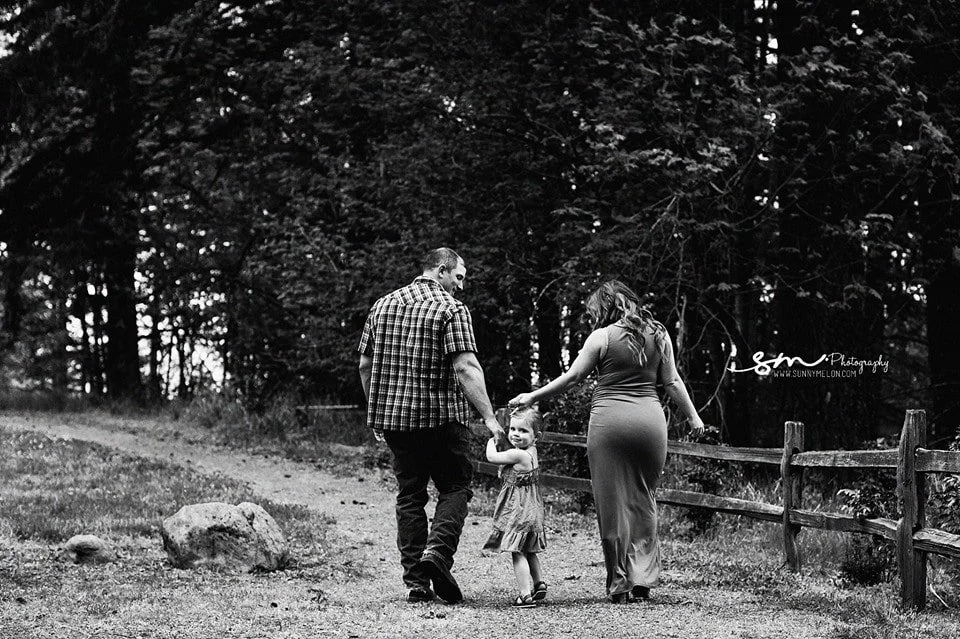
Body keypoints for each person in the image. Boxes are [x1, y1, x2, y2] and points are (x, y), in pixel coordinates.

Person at [509, 280, 705, 603]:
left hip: (609, 425)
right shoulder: (660, 334)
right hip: (650, 425)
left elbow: (572, 378)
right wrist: (694, 417)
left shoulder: (600, 338)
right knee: (644, 499)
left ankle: (620, 582)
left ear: (606, 307)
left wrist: (532, 396)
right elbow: (671, 381)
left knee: (611, 505)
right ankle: (642, 577)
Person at [358, 247, 504, 605]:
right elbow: (466, 367)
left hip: (397, 422)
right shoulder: (451, 309)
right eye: (459, 277)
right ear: (441, 270)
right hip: (441, 420)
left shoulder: (382, 306)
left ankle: (416, 582)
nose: (461, 287)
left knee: (410, 495)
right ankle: (437, 553)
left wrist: (377, 410)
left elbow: (365, 364)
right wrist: (488, 417)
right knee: (456, 486)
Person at [483, 407, 548, 608]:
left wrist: (491, 441)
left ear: (536, 436)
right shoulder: (532, 452)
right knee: (529, 549)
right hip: (532, 508)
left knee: (517, 551)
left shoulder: (518, 455)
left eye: (523, 431)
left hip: (520, 510)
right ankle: (539, 584)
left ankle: (525, 595)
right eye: (513, 429)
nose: (516, 434)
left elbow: (492, 458)